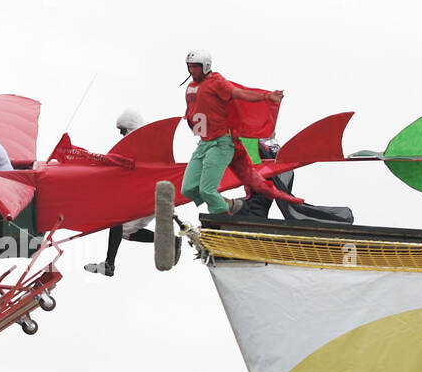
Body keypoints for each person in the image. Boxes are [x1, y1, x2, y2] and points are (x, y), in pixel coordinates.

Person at [180, 50, 282, 215]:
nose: (192, 71)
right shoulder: (191, 88)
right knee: (189, 188)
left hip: (221, 143)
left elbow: (239, 94)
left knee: (207, 190)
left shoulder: (216, 81)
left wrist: (266, 96)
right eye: (189, 67)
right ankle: (229, 206)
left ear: (205, 67)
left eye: (195, 67)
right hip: (204, 143)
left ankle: (223, 215)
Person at [84, 109, 181, 276]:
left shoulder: (148, 144)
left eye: (123, 131)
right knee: (125, 232)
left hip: (151, 192)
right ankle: (171, 241)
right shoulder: (135, 147)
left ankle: (109, 264)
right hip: (145, 193)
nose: (122, 135)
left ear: (130, 127)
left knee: (118, 219)